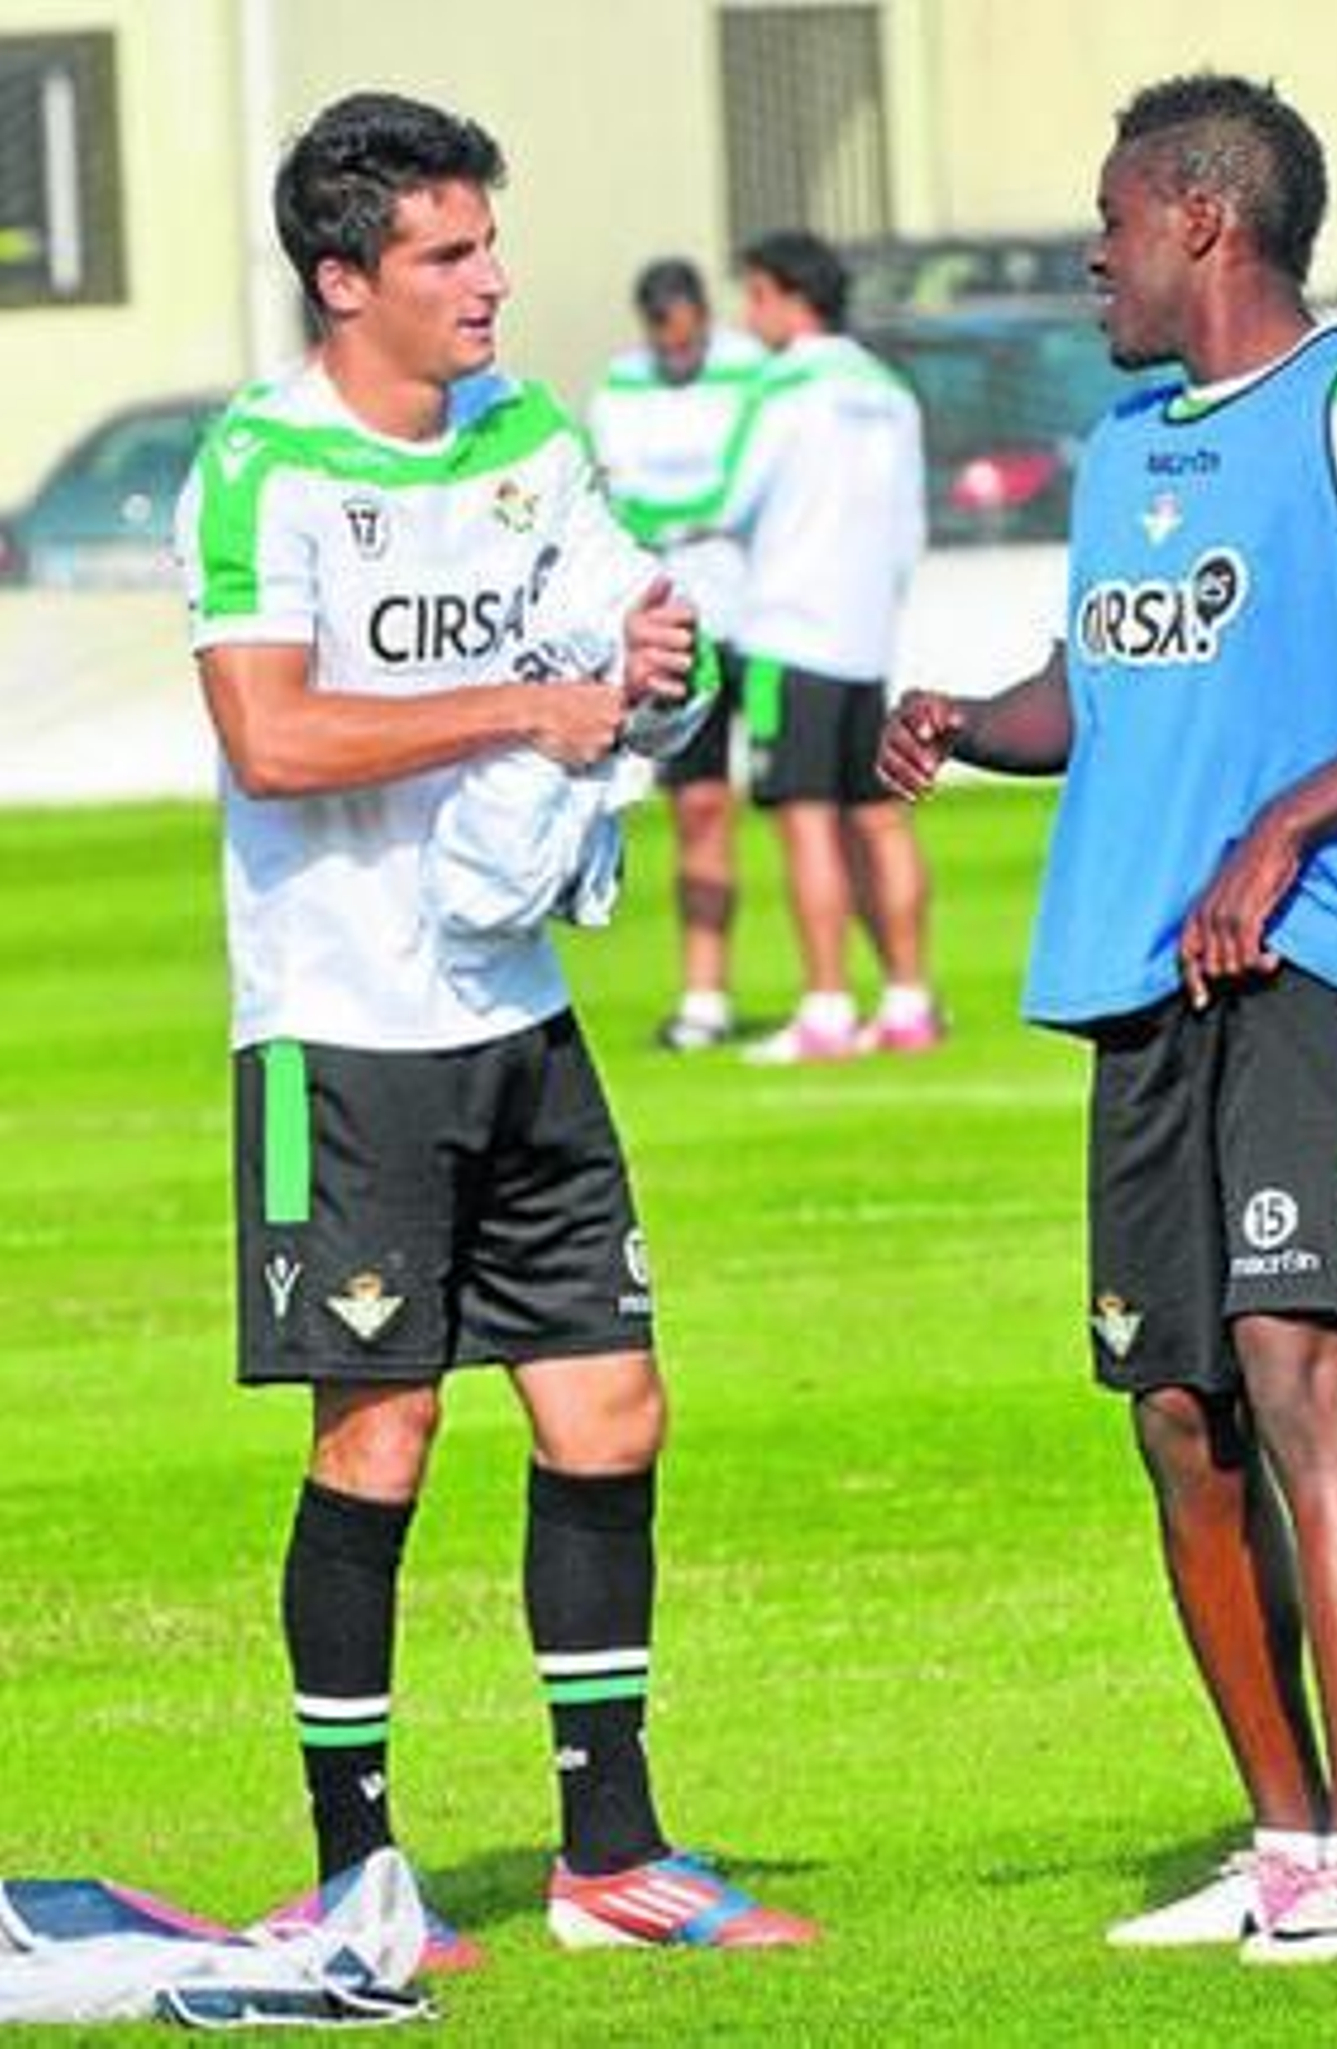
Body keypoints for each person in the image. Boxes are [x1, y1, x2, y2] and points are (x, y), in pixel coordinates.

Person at [879, 72, 1337, 1965]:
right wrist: (965, 723)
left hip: (1321, 952)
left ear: (1200, 216)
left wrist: (1285, 823)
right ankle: (1280, 1838)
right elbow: (1101, 692)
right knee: (1179, 1414)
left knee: (1293, 1364)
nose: (1088, 257)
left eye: (1107, 219)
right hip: (1138, 970)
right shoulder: (1122, 446)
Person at [174, 90, 815, 1955]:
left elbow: (622, 619)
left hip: (516, 1010)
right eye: (449, 255)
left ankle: (611, 1851)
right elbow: (271, 736)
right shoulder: (263, 465)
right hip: (339, 1026)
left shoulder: (532, 435)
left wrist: (652, 657)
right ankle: (355, 1868)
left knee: (612, 1406)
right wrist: (513, 707)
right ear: (345, 274)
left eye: (487, 245)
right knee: (378, 1435)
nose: (491, 283)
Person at [722, 229, 941, 1064]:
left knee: (805, 824)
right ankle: (910, 1000)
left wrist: (642, 512)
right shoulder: (889, 391)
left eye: (755, 296)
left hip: (789, 632)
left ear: (785, 295)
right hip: (866, 637)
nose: (748, 316)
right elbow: (910, 528)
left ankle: (824, 1007)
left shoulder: (781, 388)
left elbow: (725, 492)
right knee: (881, 821)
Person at [587, 259, 766, 1052]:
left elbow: (746, 485)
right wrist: (689, 518)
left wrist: (690, 513)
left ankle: (849, 993)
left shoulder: (747, 373)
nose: (680, 348)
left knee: (813, 812)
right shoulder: (620, 389)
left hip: (759, 618)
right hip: (677, 627)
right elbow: (620, 498)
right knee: (697, 809)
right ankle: (706, 992)